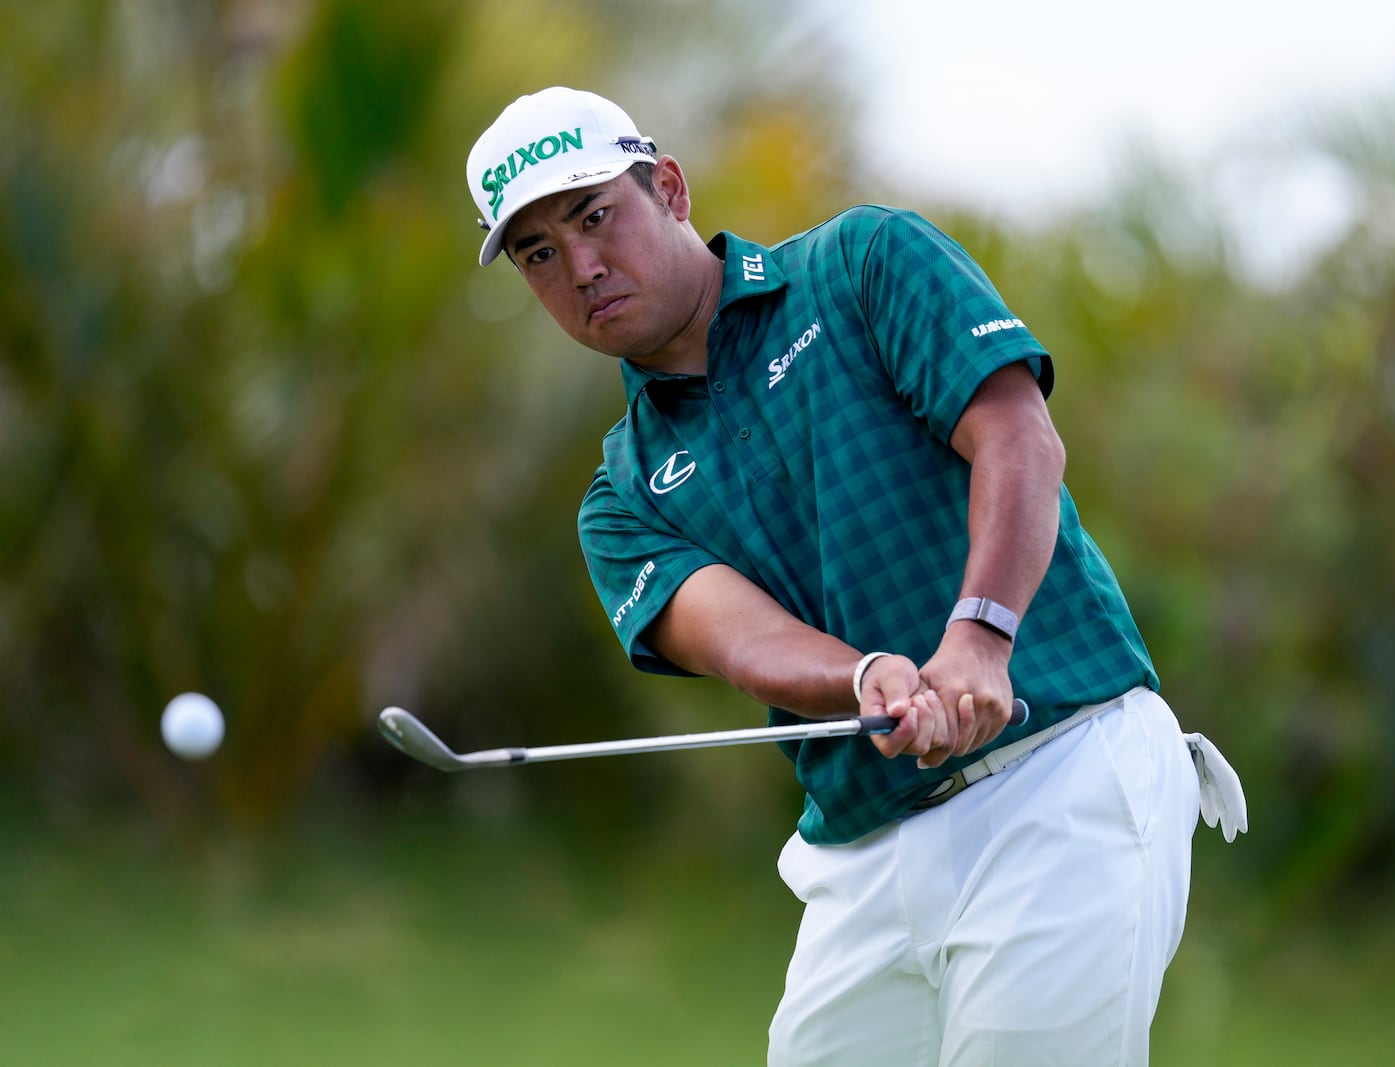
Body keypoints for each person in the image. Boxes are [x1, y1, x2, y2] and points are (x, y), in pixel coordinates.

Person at [464, 86, 1246, 1067]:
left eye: (593, 216)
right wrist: (869, 673)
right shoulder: (620, 495)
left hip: (1059, 774)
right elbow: (742, 637)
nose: (580, 267)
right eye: (539, 253)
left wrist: (979, 637)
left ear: (667, 188)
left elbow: (1017, 438)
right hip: (862, 856)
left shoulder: (862, 266)